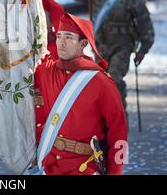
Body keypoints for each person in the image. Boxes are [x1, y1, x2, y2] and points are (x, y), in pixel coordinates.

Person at [32, 13, 128, 175]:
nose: (61, 42)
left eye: (68, 37)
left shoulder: (102, 83)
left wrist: (116, 172)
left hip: (84, 167)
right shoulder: (46, 71)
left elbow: (119, 132)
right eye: (59, 36)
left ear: (83, 43)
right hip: (49, 165)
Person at [67, 0, 154, 109]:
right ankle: (103, 122)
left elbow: (146, 28)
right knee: (100, 83)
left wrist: (142, 51)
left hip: (121, 48)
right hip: (100, 48)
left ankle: (119, 117)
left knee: (114, 80)